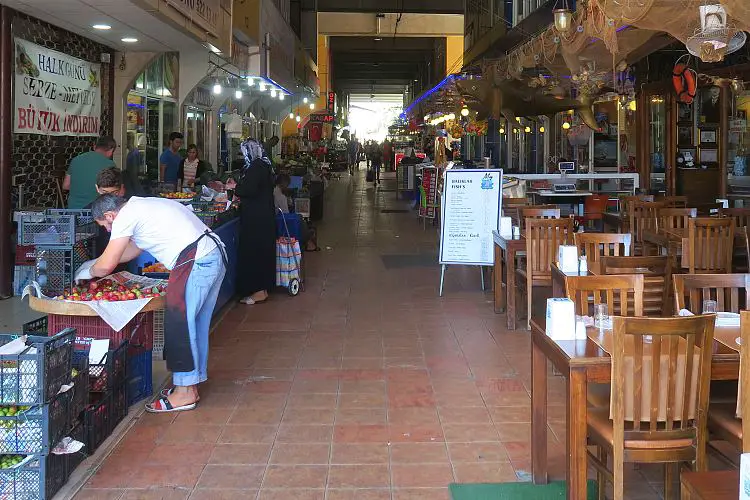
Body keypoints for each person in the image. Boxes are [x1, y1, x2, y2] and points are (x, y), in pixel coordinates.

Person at [79, 193, 226, 412]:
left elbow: (106, 266)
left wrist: (87, 270)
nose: (108, 231)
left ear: (110, 215)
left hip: (196, 261)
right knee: (194, 325)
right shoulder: (141, 205)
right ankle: (189, 385)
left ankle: (185, 393)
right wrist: (95, 262)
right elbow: (129, 252)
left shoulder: (125, 216)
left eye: (105, 226)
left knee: (181, 326)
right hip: (212, 254)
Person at [225, 139, 276, 305]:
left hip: (256, 219)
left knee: (255, 253)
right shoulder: (264, 165)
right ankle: (262, 289)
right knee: (261, 253)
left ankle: (259, 291)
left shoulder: (256, 167)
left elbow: (249, 189)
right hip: (263, 216)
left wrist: (235, 187)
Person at [63, 136, 117, 209]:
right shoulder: (110, 165)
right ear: (111, 150)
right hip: (97, 211)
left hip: (74, 210)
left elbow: (65, 186)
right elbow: (115, 190)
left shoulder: (76, 160)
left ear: (94, 147)